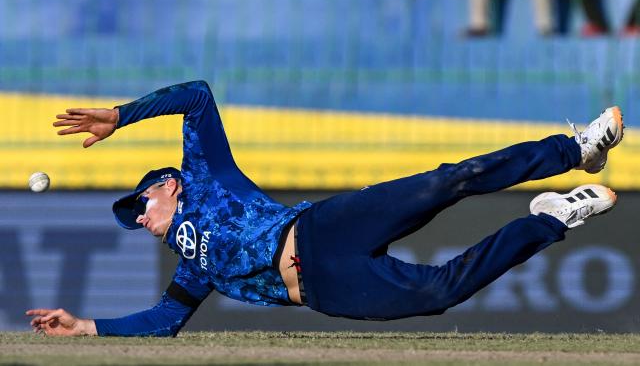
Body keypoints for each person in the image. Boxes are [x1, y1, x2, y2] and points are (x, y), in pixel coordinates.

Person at [27, 80, 624, 336]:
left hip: (320, 229)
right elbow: (163, 322)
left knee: (450, 182)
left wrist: (120, 115)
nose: (140, 217)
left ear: (168, 185)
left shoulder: (206, 181)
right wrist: (84, 326)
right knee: (440, 293)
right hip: (326, 290)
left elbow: (197, 97)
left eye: (140, 204)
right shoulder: (191, 268)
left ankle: (575, 147)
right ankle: (552, 217)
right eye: (134, 218)